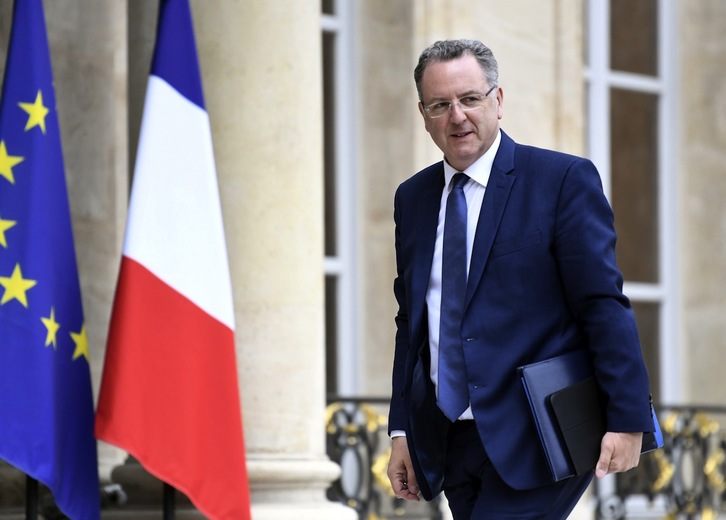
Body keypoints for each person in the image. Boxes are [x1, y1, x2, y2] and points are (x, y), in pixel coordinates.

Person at [386, 39, 654, 519]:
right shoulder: (413, 198)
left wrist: (629, 418)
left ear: (498, 100)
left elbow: (601, 304)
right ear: (424, 114)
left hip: (540, 433)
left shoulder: (561, 180)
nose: (457, 117)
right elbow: (413, 322)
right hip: (450, 439)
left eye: (470, 99)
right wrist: (401, 428)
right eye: (440, 105)